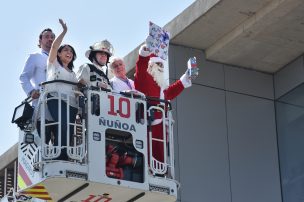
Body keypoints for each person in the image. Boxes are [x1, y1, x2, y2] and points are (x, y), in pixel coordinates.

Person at [134, 44, 195, 164]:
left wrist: (186, 77)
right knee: (146, 152)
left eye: (162, 65)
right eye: (159, 65)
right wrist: (144, 54)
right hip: (146, 123)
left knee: (160, 156)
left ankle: (160, 173)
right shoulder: (144, 78)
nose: (161, 67)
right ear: (151, 66)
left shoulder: (160, 85)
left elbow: (170, 92)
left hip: (160, 124)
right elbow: (141, 67)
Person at [46, 19, 78, 160]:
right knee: (63, 124)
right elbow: (53, 47)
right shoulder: (53, 65)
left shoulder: (73, 74)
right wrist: (64, 31)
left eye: (71, 51)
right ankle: (58, 155)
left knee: (69, 130)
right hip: (55, 99)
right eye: (65, 50)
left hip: (71, 104)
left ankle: (64, 156)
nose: (69, 52)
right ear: (58, 54)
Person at [19, 28, 55, 105]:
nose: (50, 39)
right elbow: (24, 77)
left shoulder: (59, 60)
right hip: (41, 103)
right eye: (46, 37)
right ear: (40, 41)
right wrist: (31, 91)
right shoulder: (35, 56)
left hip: (58, 101)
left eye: (52, 37)